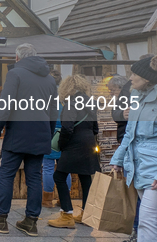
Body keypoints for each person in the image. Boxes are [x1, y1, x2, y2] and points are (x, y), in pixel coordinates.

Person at [0, 43, 58, 237]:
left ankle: (0, 218)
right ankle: (30, 222)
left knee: (6, 174)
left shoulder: (15, 74)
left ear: (17, 58)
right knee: (34, 177)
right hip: (40, 134)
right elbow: (54, 111)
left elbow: (5, 106)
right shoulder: (49, 79)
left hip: (18, 133)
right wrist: (48, 132)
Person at [111, 55, 157, 242]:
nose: (130, 78)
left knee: (146, 221)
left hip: (153, 168)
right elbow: (130, 133)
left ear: (146, 77)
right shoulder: (136, 96)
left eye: (134, 73)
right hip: (138, 166)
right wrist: (118, 159)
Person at [48, 74, 100, 228]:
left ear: (67, 88)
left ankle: (67, 215)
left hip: (74, 144)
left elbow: (67, 127)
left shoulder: (71, 102)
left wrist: (62, 145)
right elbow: (95, 128)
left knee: (59, 176)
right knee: (85, 178)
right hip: (89, 143)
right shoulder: (91, 102)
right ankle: (86, 214)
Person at [42, 70, 72, 208]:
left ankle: (47, 199)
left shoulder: (45, 95)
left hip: (50, 132)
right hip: (65, 132)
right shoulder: (66, 95)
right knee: (65, 168)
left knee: (48, 167)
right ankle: (63, 198)